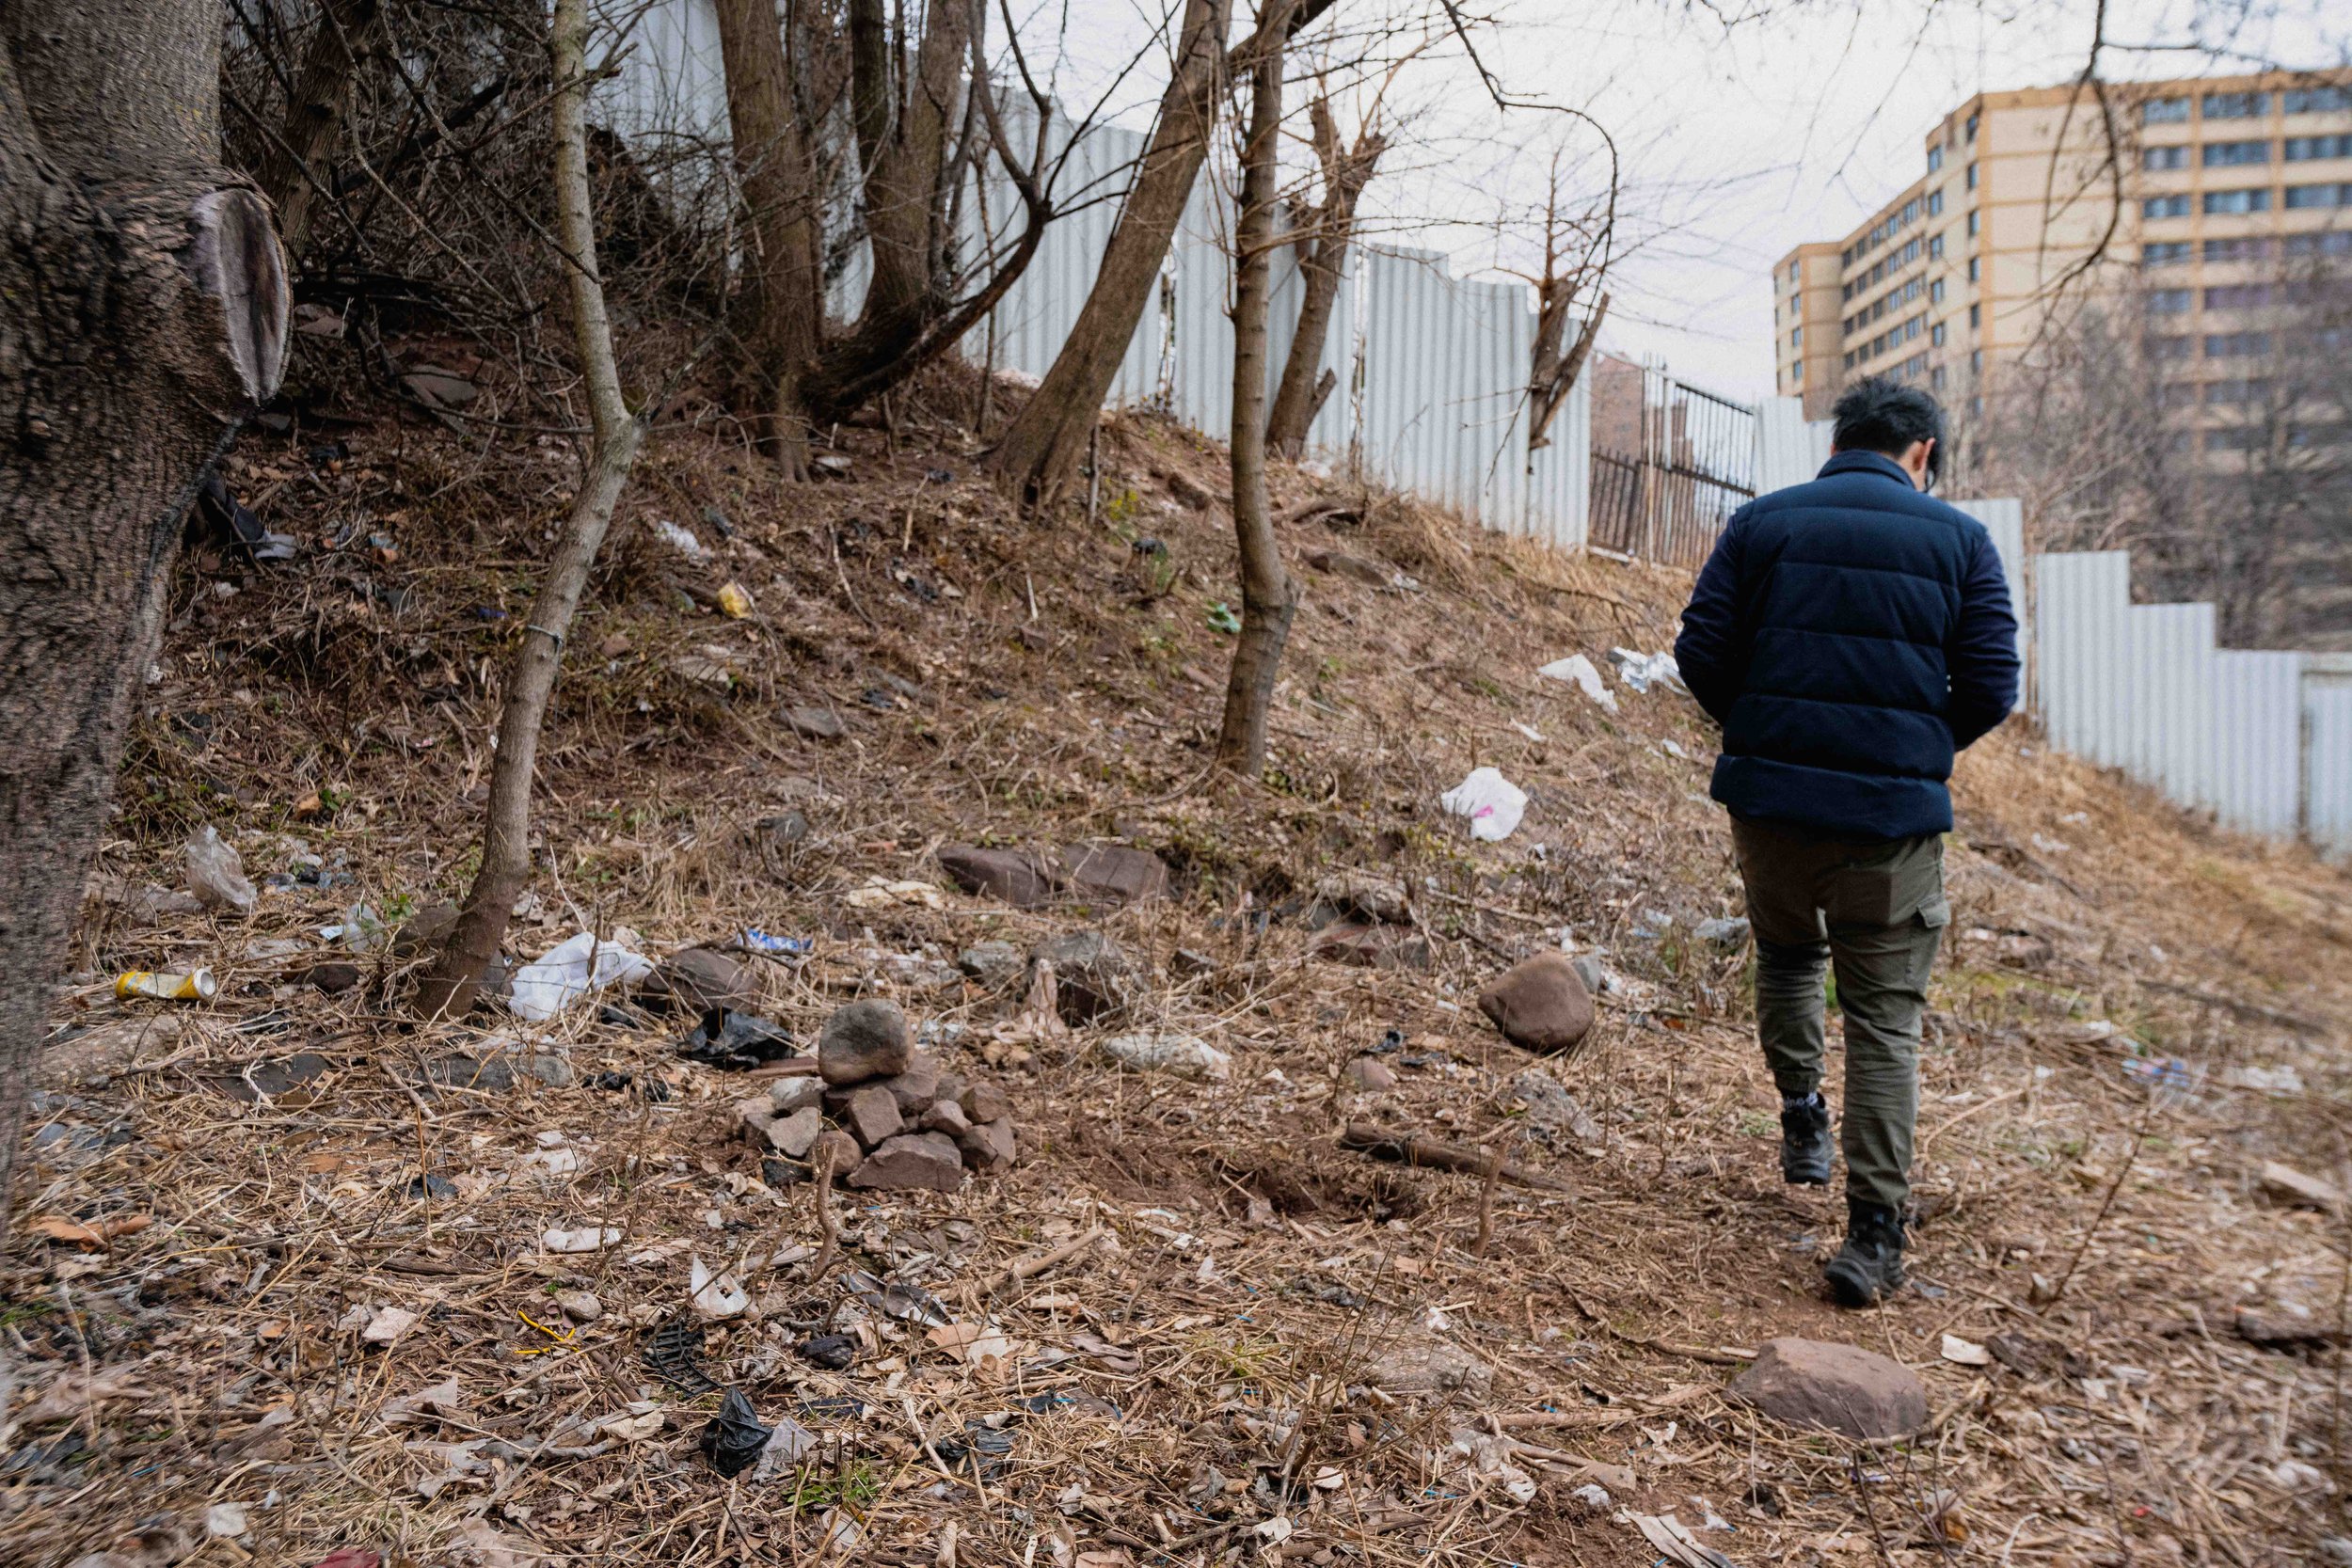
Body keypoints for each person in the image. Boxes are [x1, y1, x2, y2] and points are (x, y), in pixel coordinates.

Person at [1673, 376, 2019, 1307]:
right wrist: (1914, 750)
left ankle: (1800, 1116)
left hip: (1770, 812)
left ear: (1840, 442)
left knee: (1787, 954)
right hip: (1888, 830)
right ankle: (1872, 1236)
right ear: (1922, 454)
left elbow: (1700, 648)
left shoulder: (1762, 523)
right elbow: (1990, 681)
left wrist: (1761, 732)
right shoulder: (1961, 540)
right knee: (1883, 1022)